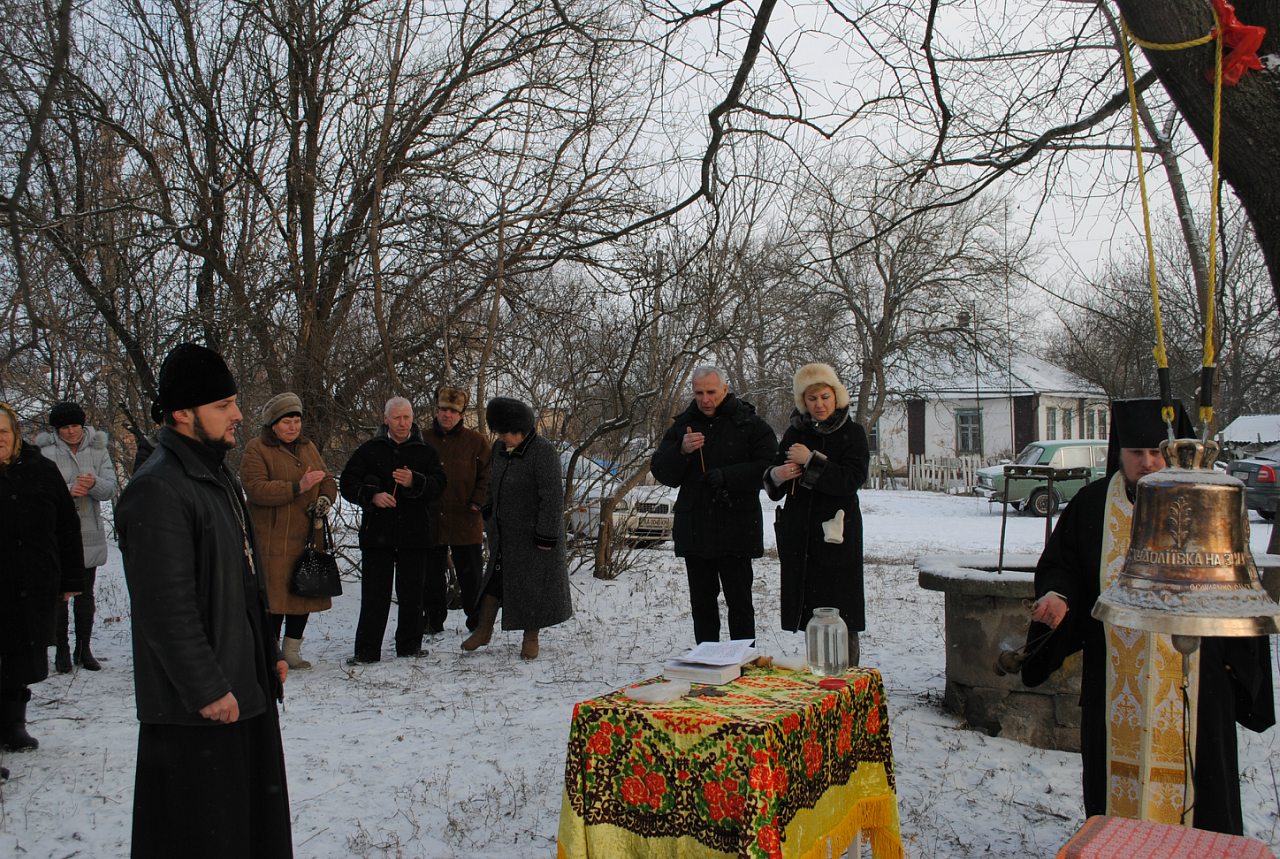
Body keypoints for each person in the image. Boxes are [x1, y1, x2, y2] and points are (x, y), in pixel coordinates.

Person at [1023, 398, 1274, 834]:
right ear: (1119, 451)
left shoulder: (1208, 502)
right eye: (1137, 453)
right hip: (1118, 678)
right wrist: (1058, 594)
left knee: (1205, 788)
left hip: (1199, 674)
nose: (1148, 462)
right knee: (1114, 789)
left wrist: (1243, 663)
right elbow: (1063, 564)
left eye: (1157, 452)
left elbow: (1239, 579)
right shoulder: (1092, 504)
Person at [115, 342, 292, 857]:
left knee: (248, 831)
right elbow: (165, 608)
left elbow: (240, 580)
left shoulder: (216, 474)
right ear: (181, 414)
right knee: (202, 836)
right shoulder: (158, 489)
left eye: (234, 401)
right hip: (198, 711)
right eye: (223, 405)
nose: (238, 414)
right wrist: (206, 688)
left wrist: (269, 652)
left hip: (242, 687)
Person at [651, 366, 777, 643]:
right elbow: (662, 473)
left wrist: (728, 477)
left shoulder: (750, 424)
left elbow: (769, 468)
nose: (705, 399)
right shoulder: (683, 425)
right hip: (696, 527)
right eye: (699, 393)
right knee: (702, 605)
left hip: (737, 526)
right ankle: (707, 662)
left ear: (725, 389)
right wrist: (681, 451)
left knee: (740, 604)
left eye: (711, 392)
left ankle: (743, 663)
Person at [764, 364, 870, 664]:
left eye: (824, 396)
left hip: (836, 534)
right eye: (812, 399)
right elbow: (773, 480)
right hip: (801, 536)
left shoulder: (853, 433)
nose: (819, 404)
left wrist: (812, 460)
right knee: (810, 611)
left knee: (840, 610)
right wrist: (779, 474)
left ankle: (847, 678)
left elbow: (851, 480)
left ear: (836, 396)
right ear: (803, 401)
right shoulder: (796, 432)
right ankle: (817, 677)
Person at [0, 402, 84, 772]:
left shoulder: (42, 471)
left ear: (15, 434)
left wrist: (70, 579)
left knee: (21, 656)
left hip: (32, 582)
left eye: (2, 432)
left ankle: (14, 724)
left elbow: (67, 528)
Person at [462, 397, 572, 659]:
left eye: (505, 433)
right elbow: (491, 483)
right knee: (494, 582)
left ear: (520, 430)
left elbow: (552, 496)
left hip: (534, 536)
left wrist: (546, 533)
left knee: (530, 587)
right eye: (498, 433)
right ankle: (483, 630)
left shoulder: (542, 451)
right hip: (505, 534)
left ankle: (530, 637)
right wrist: (487, 508)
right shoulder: (499, 451)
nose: (501, 438)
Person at [339, 396, 446, 663]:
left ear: (413, 419)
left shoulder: (425, 451)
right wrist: (372, 496)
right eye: (396, 417)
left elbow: (439, 485)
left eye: (407, 417)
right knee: (375, 594)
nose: (402, 423)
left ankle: (409, 646)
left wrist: (414, 481)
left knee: (413, 594)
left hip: (414, 533)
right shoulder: (370, 450)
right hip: (378, 534)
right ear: (385, 419)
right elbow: (347, 483)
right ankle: (367, 650)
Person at [241, 393, 338, 670]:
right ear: (273, 424)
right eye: (287, 422)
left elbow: (327, 477)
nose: (293, 427)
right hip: (273, 537)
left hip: (307, 536)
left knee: (303, 593)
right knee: (273, 598)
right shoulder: (256, 449)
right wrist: (298, 486)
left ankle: (292, 650)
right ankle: (270, 652)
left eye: (296, 421)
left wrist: (325, 498)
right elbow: (256, 488)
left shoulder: (308, 447)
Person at [37, 402, 117, 673]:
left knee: (85, 595)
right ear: (57, 430)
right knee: (60, 594)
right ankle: (61, 648)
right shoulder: (45, 453)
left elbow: (110, 489)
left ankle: (84, 649)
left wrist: (93, 483)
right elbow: (39, 490)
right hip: (58, 532)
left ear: (82, 426)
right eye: (64, 428)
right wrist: (67, 490)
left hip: (89, 531)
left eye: (74, 426)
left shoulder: (97, 449)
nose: (70, 432)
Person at [422, 385, 491, 634]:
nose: (446, 415)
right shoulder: (424, 438)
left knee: (471, 575)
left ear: (462, 414)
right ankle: (432, 620)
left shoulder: (476, 442)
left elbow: (488, 475)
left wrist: (477, 501)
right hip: (431, 519)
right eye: (442, 409)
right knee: (431, 576)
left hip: (466, 518)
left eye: (452, 411)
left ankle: (477, 622)